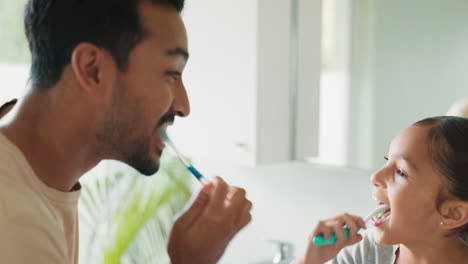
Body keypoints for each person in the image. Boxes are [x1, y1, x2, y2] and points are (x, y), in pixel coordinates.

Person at [0, 0, 252, 263]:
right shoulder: (14, 227)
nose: (183, 107)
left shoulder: (38, 176)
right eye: (171, 73)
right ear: (92, 69)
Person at [293, 116, 468, 264]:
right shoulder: (365, 253)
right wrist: (308, 260)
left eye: (401, 172)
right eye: (387, 160)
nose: (375, 177)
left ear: (453, 213)